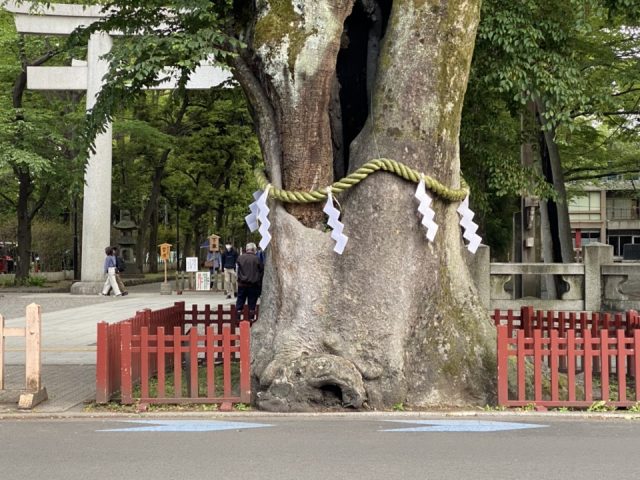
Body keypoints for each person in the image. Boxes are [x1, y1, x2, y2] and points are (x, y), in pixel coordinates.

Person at [236, 242, 263, 320]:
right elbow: (261, 271)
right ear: (254, 250)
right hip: (253, 284)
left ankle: (237, 317)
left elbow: (237, 270)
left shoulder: (240, 258)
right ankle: (250, 318)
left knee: (240, 301)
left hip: (242, 283)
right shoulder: (257, 259)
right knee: (252, 303)